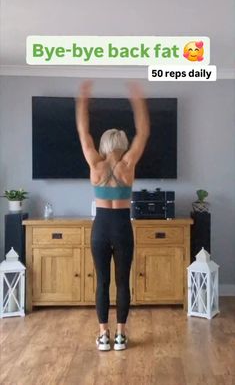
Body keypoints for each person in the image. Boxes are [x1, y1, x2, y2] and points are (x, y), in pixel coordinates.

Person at [75, 80, 150, 351]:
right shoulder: (128, 165)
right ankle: (121, 335)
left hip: (100, 227)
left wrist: (83, 100)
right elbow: (143, 133)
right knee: (122, 281)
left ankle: (103, 335)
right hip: (121, 226)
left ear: (105, 144)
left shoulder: (95, 163)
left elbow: (84, 134)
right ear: (123, 143)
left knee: (102, 282)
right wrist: (137, 100)